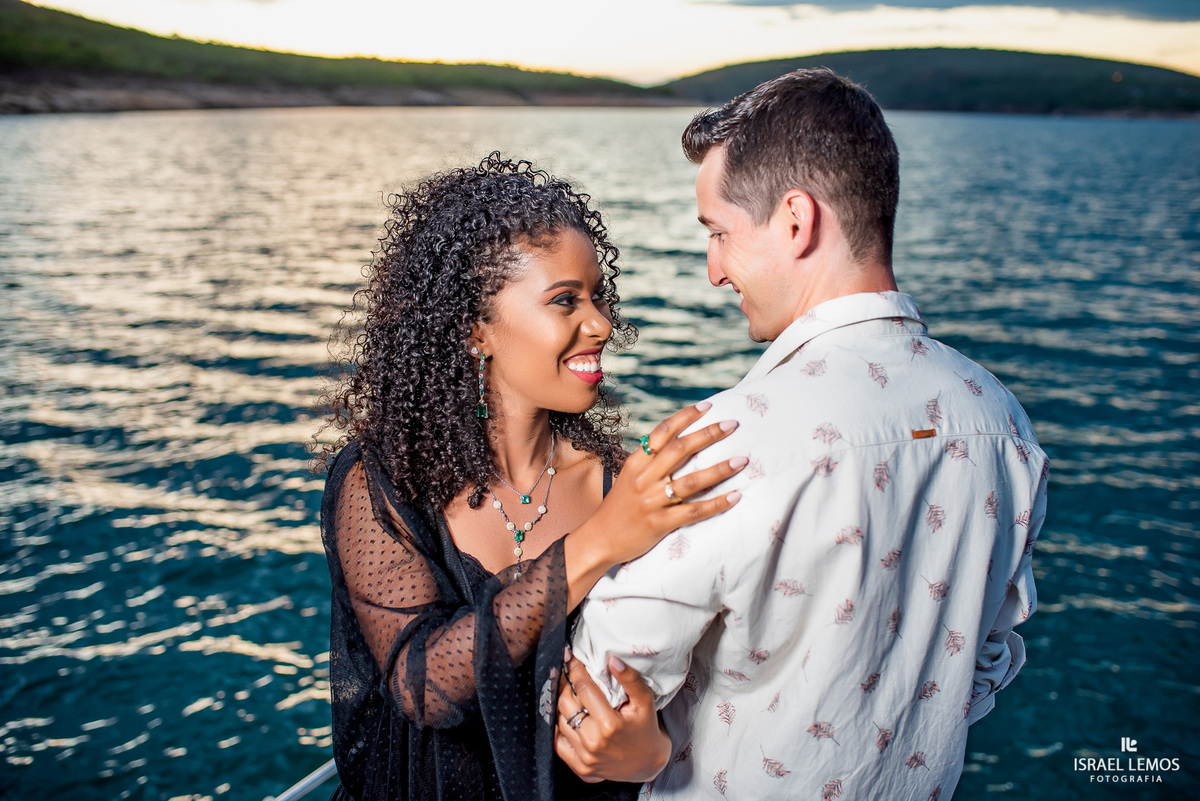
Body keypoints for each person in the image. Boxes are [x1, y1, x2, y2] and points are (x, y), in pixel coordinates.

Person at [561, 69, 1049, 800]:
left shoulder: (728, 441)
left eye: (720, 234)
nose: (713, 271)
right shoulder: (1002, 422)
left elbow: (597, 686)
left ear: (796, 220)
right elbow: (984, 661)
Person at [315, 153, 748, 801]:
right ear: (475, 328)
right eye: (565, 300)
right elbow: (425, 684)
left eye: (597, 296)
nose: (601, 323)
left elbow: (661, 687)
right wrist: (598, 542)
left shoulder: (614, 482)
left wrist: (648, 752)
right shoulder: (379, 480)